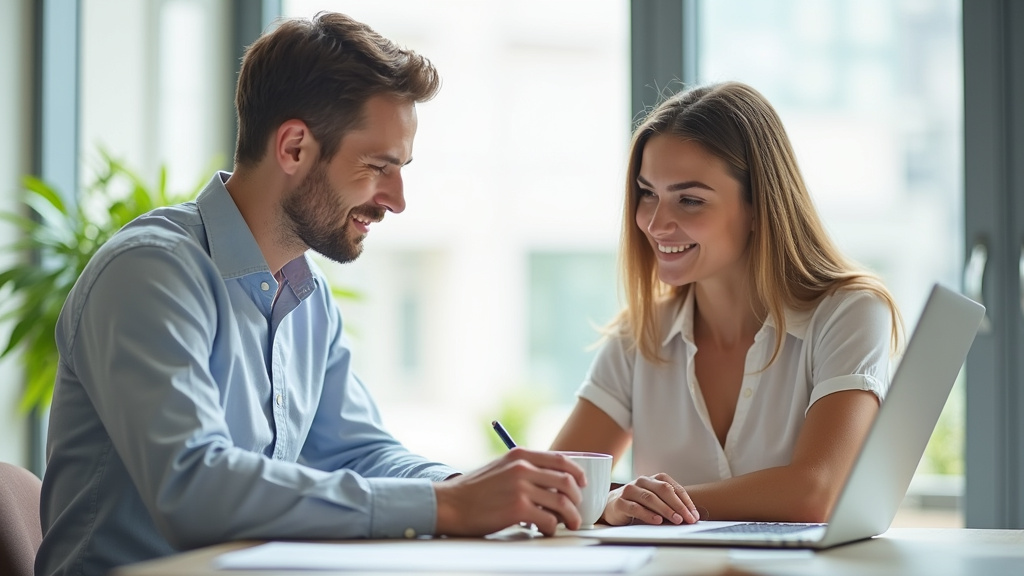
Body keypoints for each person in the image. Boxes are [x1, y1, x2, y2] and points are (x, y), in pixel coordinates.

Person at [36, 12, 585, 576]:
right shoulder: (150, 272)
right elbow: (194, 488)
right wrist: (446, 506)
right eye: (378, 167)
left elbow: (358, 452)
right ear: (295, 147)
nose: (397, 200)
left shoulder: (306, 295)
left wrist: (485, 490)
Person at [550, 81, 902, 527]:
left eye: (690, 200)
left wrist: (635, 503)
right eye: (647, 193)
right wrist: (613, 502)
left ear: (760, 207)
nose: (656, 223)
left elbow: (815, 492)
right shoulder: (637, 337)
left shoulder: (850, 313)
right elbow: (558, 490)